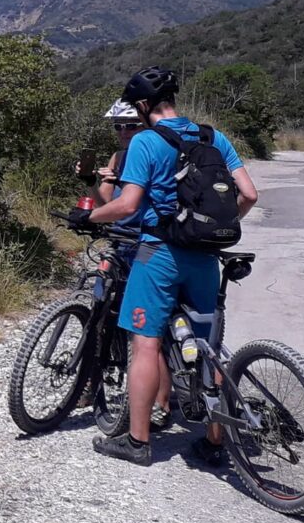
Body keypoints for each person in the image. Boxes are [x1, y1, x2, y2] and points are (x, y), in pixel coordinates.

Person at [71, 67, 258, 467]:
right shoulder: (213, 136)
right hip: (207, 257)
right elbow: (249, 195)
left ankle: (137, 442)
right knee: (209, 349)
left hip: (158, 254)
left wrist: (86, 218)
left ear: (142, 106)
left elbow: (126, 205)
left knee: (146, 344)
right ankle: (214, 441)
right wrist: (214, 226)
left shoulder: (145, 142)